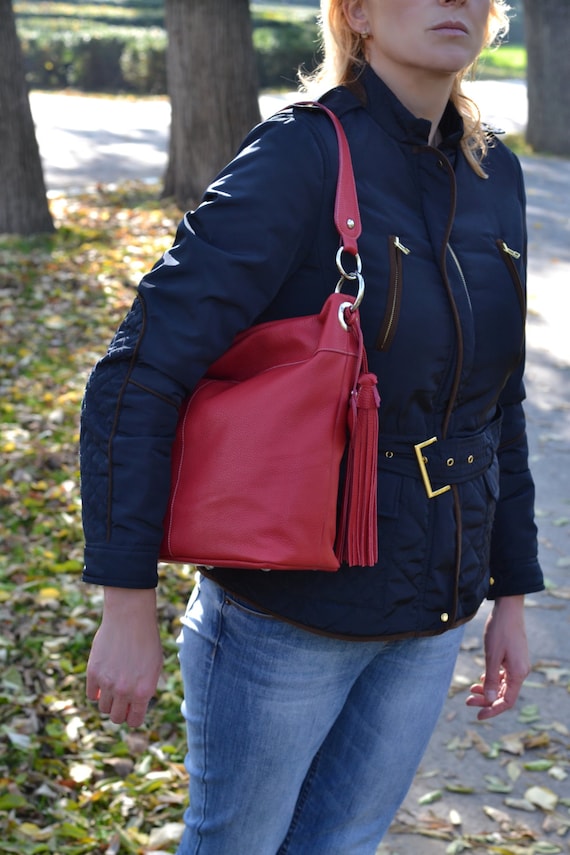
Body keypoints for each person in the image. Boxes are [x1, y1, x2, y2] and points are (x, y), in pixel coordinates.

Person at [81, 1, 544, 852]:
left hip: (431, 613)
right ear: (357, 14)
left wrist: (510, 591)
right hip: (284, 617)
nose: (454, 2)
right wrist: (126, 599)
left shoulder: (493, 174)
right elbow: (138, 369)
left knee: (345, 842)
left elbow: (495, 398)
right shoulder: (301, 155)